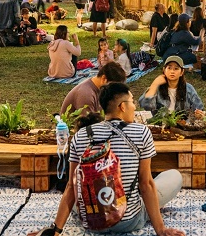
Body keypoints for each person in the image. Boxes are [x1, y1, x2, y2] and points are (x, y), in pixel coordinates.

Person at [40, 83, 185, 236]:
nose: (135, 107)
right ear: (122, 106)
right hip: (128, 221)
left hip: (91, 221)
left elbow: (71, 186)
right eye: (132, 101)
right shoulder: (141, 133)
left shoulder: (81, 135)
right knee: (173, 176)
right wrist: (161, 230)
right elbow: (145, 184)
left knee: (81, 194)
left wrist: (55, 231)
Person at [139, 56, 204, 113]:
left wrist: (198, 113)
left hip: (182, 124)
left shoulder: (188, 88)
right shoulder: (157, 87)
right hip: (159, 124)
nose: (172, 71)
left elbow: (199, 107)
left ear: (181, 72)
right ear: (164, 70)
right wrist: (154, 85)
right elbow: (145, 106)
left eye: (176, 68)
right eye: (169, 68)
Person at [60, 62, 127, 116]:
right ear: (104, 79)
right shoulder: (86, 94)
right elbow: (88, 126)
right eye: (113, 87)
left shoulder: (101, 90)